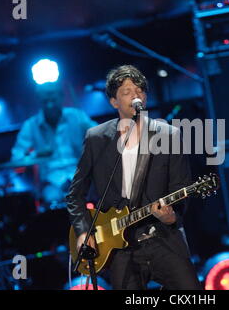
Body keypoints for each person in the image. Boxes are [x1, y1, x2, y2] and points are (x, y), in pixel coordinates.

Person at [66, 65, 201, 290]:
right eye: (127, 92)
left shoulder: (169, 135)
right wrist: (82, 231)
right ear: (114, 102)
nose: (135, 95)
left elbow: (182, 187)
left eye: (139, 90)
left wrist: (171, 218)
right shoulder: (96, 138)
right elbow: (75, 194)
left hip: (163, 238)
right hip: (119, 248)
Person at [11, 82, 97, 208]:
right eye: (45, 101)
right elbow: (16, 159)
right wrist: (35, 155)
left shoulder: (77, 116)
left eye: (53, 100)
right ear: (39, 101)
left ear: (62, 97)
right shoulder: (30, 125)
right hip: (51, 181)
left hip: (81, 174)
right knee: (51, 197)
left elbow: (102, 136)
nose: (50, 105)